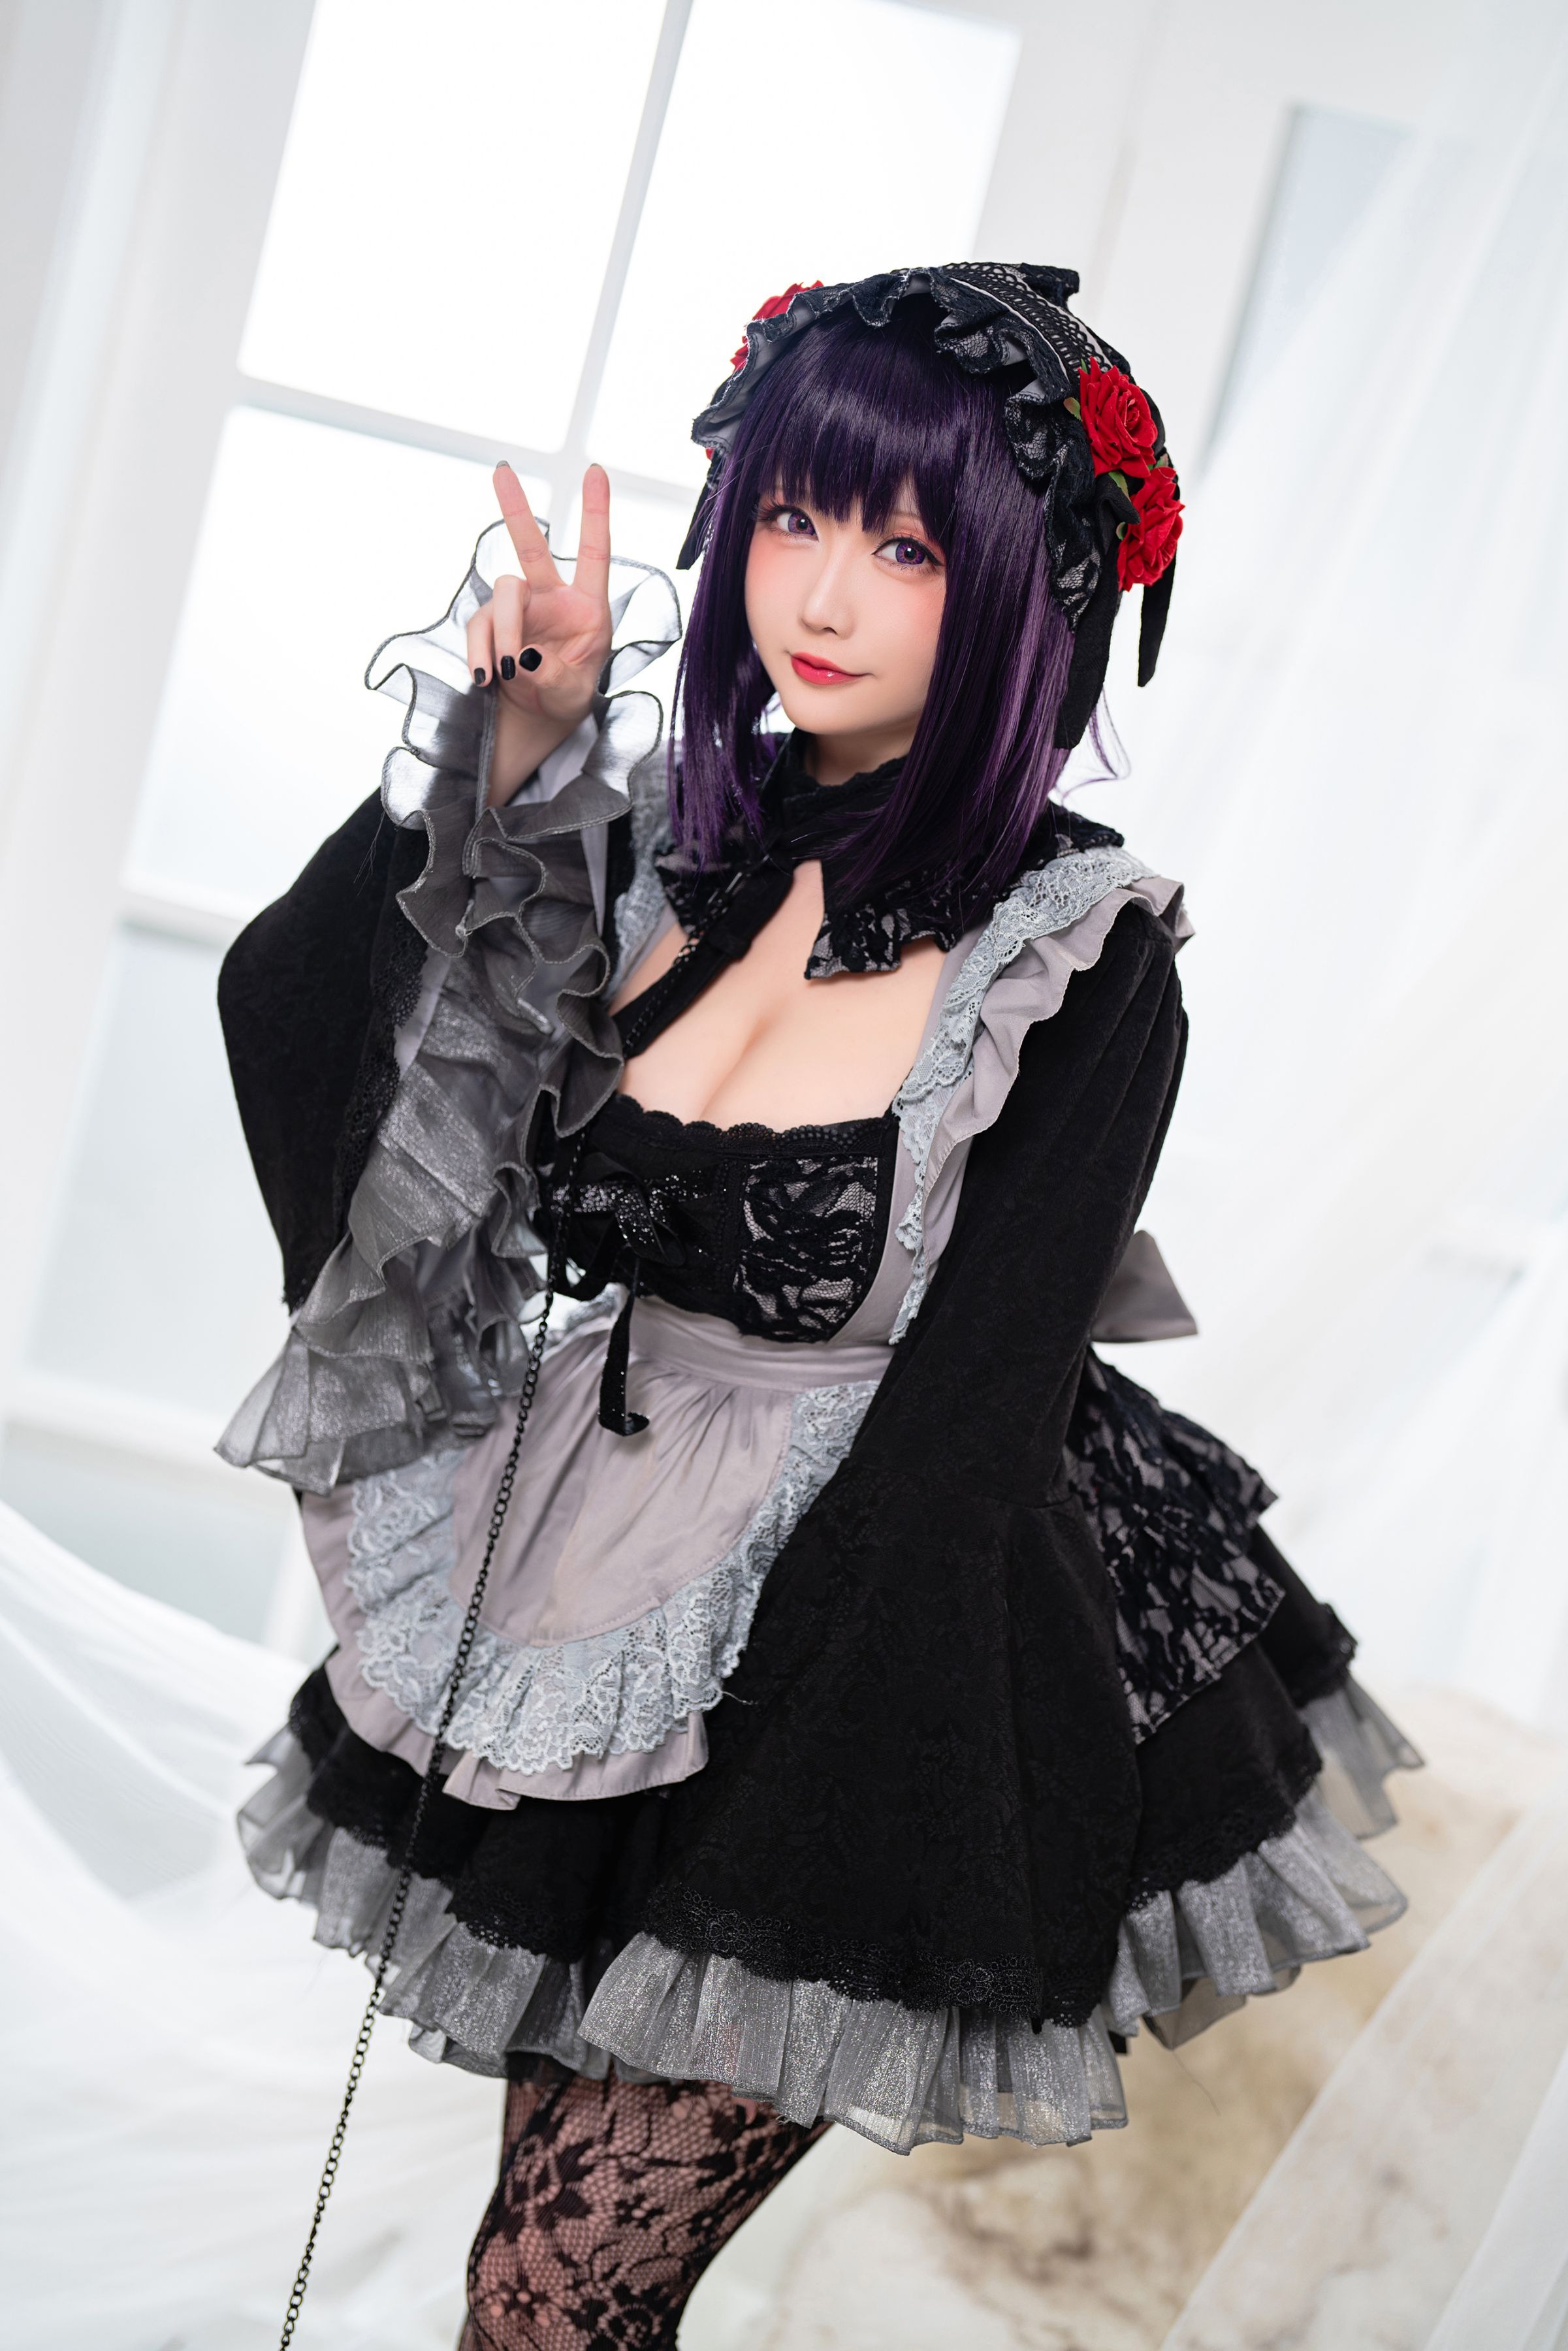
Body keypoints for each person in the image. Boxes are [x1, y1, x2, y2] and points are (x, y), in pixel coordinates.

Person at [217, 265, 1418, 2350]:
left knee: (551, 2293)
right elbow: (321, 1026)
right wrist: (516, 747)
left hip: (882, 1638)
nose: (825, 594)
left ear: (1032, 590)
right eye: (791, 517)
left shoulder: (1079, 954)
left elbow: (970, 1428)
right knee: (537, 2273)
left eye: (908, 546)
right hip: (598, 1569)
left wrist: (775, 1831)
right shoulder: (665, 858)